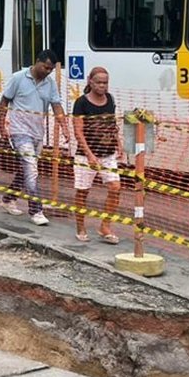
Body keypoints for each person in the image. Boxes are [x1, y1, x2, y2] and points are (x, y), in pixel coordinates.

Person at [0, 49, 70, 225]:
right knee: (32, 169)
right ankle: (36, 211)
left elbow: (56, 105)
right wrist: (2, 125)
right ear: (37, 62)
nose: (47, 71)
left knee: (27, 169)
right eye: (45, 67)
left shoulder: (50, 83)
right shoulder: (18, 78)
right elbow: (4, 101)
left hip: (38, 133)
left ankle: (8, 198)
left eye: (51, 69)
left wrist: (64, 126)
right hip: (19, 131)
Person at [71, 66, 123, 244]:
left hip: (108, 153)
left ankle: (105, 225)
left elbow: (112, 123)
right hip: (86, 156)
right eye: (99, 82)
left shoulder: (110, 99)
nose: (103, 86)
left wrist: (119, 143)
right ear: (90, 82)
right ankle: (80, 226)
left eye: (105, 83)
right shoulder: (81, 103)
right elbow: (78, 131)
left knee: (115, 187)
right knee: (83, 192)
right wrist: (89, 154)